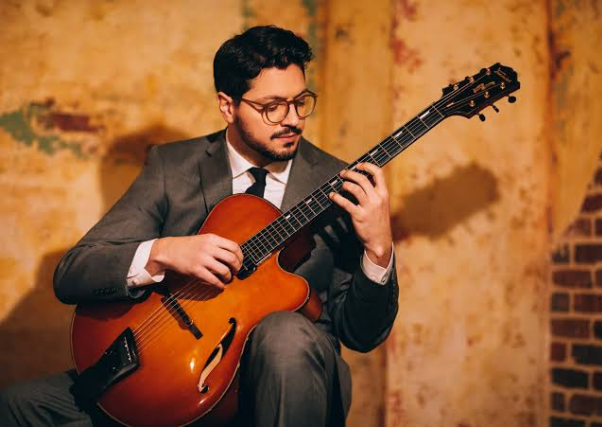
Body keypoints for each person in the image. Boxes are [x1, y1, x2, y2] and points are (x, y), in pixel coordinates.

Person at [0, 25, 399, 427]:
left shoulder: (338, 184)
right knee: (15, 407)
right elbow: (73, 274)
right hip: (169, 368)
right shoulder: (172, 167)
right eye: (273, 107)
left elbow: (362, 334)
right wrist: (163, 253)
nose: (293, 119)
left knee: (284, 334)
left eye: (300, 102)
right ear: (227, 106)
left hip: (287, 382)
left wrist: (378, 249)